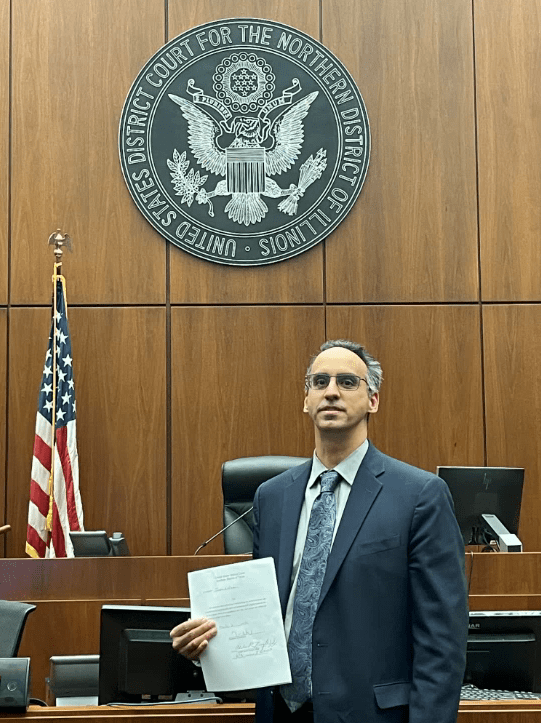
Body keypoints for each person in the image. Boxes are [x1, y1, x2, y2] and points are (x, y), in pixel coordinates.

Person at [171, 339, 468, 723]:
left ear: (373, 400)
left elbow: (442, 641)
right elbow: (264, 618)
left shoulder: (420, 495)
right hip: (282, 711)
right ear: (306, 399)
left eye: (347, 381)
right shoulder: (272, 497)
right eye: (319, 381)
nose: (331, 391)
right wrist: (209, 644)